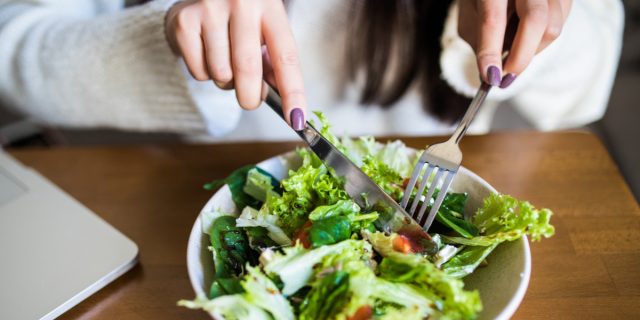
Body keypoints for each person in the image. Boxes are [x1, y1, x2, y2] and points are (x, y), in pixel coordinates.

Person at [0, 0, 624, 142]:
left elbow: (587, 80)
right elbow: (16, 45)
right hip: (204, 196)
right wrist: (178, 34)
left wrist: (512, 31)